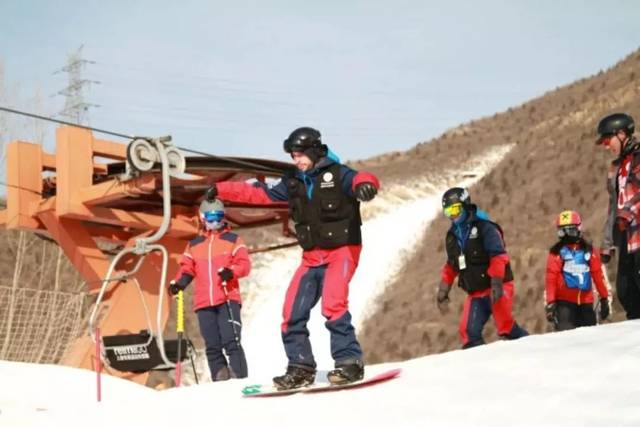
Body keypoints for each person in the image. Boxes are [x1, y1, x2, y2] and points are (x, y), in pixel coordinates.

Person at [206, 126, 380, 389]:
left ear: (312, 150)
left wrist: (367, 185)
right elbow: (258, 193)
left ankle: (349, 363)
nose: (296, 160)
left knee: (333, 304)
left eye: (299, 154)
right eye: (293, 156)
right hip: (311, 257)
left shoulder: (338, 174)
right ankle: (300, 367)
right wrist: (220, 189)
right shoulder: (293, 181)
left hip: (342, 250)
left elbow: (360, 178)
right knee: (291, 312)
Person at [169, 198, 251, 381]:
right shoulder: (195, 244)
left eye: (219, 218)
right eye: (211, 219)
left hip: (227, 298)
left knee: (232, 341)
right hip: (204, 302)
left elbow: (244, 265)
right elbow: (187, 268)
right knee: (212, 345)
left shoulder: (233, 240)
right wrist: (179, 283)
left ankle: (239, 377)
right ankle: (220, 378)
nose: (215, 223)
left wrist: (231, 272)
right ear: (203, 219)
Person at [436, 187, 528, 348]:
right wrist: (443, 290)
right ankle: (481, 366)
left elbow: (498, 256)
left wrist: (497, 282)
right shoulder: (452, 236)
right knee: (468, 333)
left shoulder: (485, 227)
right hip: (476, 291)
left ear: (465, 205)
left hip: (498, 284)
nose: (453, 215)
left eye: (455, 209)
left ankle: (531, 346)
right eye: (448, 211)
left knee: (505, 327)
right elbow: (451, 265)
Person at [595, 112, 640, 319]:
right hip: (626, 238)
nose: (606, 145)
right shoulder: (615, 168)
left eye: (607, 139)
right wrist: (607, 243)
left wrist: (627, 212)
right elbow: (614, 207)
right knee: (625, 290)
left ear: (622, 134)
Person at [544, 210, 610, 331]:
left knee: (590, 339)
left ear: (579, 229)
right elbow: (551, 278)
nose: (567, 235)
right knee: (566, 339)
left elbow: (597, 276)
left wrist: (604, 298)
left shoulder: (589, 251)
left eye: (570, 230)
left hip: (586, 303)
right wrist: (550, 302)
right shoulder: (557, 253)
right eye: (563, 231)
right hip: (564, 304)